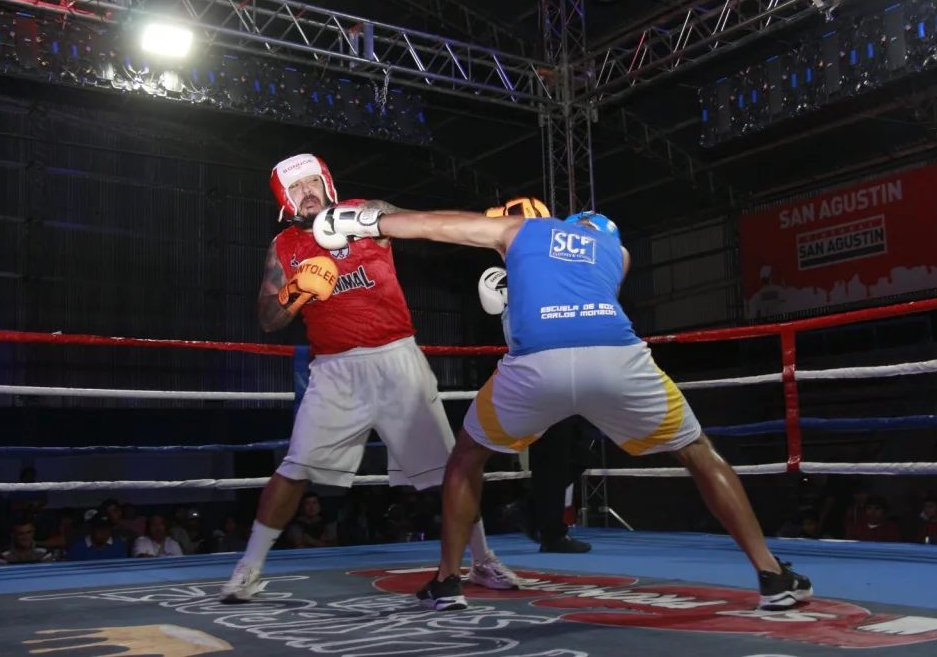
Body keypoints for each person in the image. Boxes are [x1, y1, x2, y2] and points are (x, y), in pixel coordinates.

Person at [312, 204, 814, 612]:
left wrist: (369, 221)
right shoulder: (617, 253)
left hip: (537, 365)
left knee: (466, 457)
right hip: (616, 359)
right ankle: (772, 575)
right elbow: (579, 295)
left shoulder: (521, 229)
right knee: (698, 450)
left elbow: (433, 225)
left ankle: (447, 581)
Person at [219, 154, 517, 602]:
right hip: (334, 372)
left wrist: (493, 232)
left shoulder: (366, 212)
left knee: (449, 469)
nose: (306, 192)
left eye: (312, 182)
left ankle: (482, 559)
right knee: (295, 468)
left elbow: (423, 224)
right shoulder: (284, 247)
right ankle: (249, 567)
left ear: (327, 183)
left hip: (397, 359)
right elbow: (267, 318)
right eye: (295, 187)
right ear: (284, 198)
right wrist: (295, 292)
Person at [482, 198, 592, 553]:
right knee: (553, 451)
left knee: (577, 452)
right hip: (535, 372)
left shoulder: (554, 269)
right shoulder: (500, 277)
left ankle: (533, 513)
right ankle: (551, 532)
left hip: (566, 370)